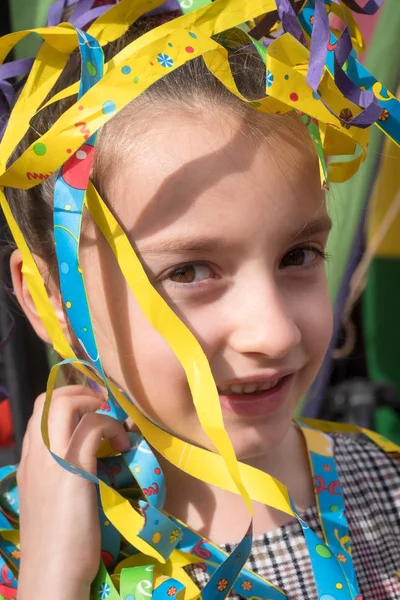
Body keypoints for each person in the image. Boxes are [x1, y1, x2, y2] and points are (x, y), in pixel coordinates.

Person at [0, 2, 399, 600]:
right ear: (50, 296)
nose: (275, 333)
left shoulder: (389, 489)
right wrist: (52, 582)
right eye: (189, 271)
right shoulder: (18, 550)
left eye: (298, 256)